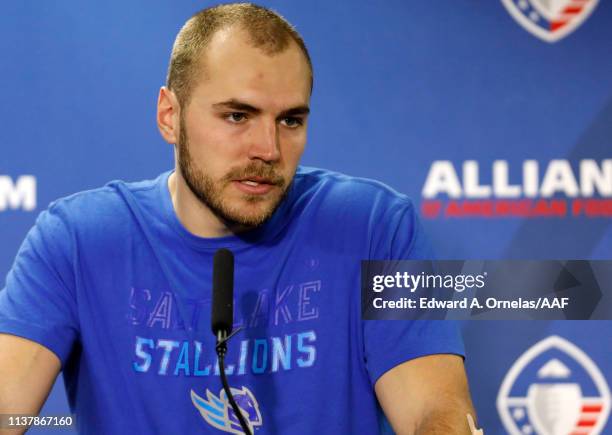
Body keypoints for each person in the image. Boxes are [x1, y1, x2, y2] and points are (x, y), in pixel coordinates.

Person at [0, 3, 477, 434]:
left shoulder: (378, 226)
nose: (267, 150)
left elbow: (433, 410)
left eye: (290, 120)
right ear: (170, 115)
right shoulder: (76, 241)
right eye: (236, 116)